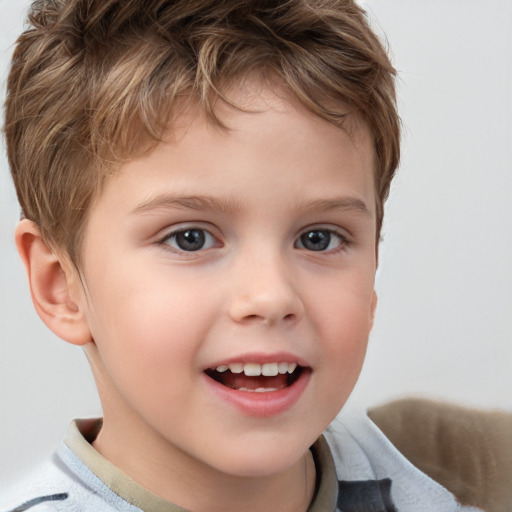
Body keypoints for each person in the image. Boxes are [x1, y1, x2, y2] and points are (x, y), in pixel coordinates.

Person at [1, 1, 509, 511]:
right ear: (60, 285)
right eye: (190, 238)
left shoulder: (463, 472)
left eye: (318, 238)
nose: (271, 296)